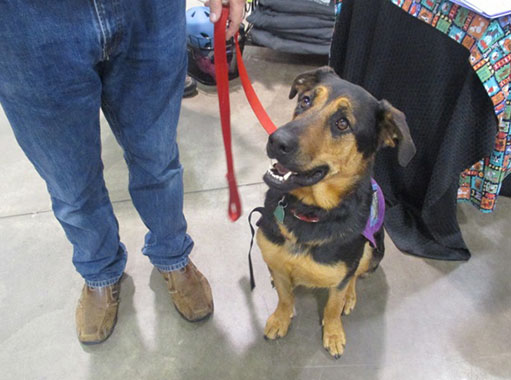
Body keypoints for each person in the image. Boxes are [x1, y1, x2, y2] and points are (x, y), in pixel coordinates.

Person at [0, 0, 245, 344]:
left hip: (148, 11)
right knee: (70, 182)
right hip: (26, 19)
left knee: (158, 160)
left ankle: (172, 253)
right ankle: (98, 272)